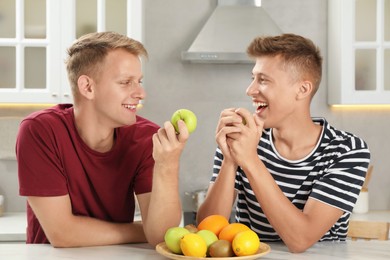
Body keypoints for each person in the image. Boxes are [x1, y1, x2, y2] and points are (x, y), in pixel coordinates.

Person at [197, 34, 370, 253]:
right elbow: (208, 234)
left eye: (263, 80)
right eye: (252, 78)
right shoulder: (243, 139)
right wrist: (230, 160)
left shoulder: (347, 150)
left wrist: (249, 159)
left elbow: (300, 240)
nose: (250, 90)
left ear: (302, 90)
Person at [16, 31, 189, 247]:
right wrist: (142, 230)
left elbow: (162, 236)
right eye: (126, 82)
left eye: (139, 81)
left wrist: (168, 164)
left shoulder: (146, 138)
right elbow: (62, 234)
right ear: (87, 87)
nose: (141, 93)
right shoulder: (40, 131)